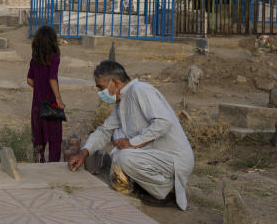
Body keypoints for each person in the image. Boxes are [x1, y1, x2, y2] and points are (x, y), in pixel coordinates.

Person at [68, 61, 195, 210]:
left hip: (173, 157)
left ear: (115, 82)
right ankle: (152, 185)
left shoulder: (140, 90)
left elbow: (163, 122)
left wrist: (134, 142)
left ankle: (167, 190)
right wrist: (84, 153)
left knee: (124, 157)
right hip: (155, 155)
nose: (98, 91)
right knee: (117, 144)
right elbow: (105, 130)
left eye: (100, 87)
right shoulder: (122, 101)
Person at [27, 25, 65, 163]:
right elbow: (52, 78)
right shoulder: (54, 59)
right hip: (51, 104)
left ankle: (38, 163)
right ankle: (54, 165)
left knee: (38, 137)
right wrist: (58, 98)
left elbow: (29, 80)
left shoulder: (34, 60)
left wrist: (40, 88)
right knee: (55, 138)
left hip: (37, 104)